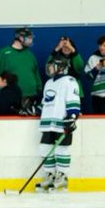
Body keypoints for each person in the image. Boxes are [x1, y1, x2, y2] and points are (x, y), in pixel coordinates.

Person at [35, 55, 82, 192]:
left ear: (60, 67)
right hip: (48, 122)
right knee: (44, 148)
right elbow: (46, 102)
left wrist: (72, 117)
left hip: (62, 122)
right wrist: (34, 109)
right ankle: (50, 175)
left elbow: (73, 100)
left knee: (62, 150)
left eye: (52, 65)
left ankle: (62, 177)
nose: (49, 68)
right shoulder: (49, 83)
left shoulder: (70, 81)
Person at [0, 27, 40, 113]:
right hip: (12, 98)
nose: (31, 40)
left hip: (31, 96)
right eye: (29, 38)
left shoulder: (30, 54)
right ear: (20, 37)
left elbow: (36, 73)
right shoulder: (3, 53)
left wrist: (38, 87)